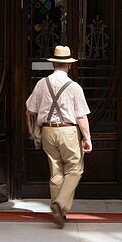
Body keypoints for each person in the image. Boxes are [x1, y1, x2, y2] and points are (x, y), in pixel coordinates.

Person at [25, 44, 92, 228]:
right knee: (75, 169)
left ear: (53, 63)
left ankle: (58, 212)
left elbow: (30, 109)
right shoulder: (74, 87)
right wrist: (87, 138)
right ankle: (60, 204)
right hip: (68, 131)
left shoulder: (41, 84)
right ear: (69, 65)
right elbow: (81, 116)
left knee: (55, 172)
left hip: (47, 131)